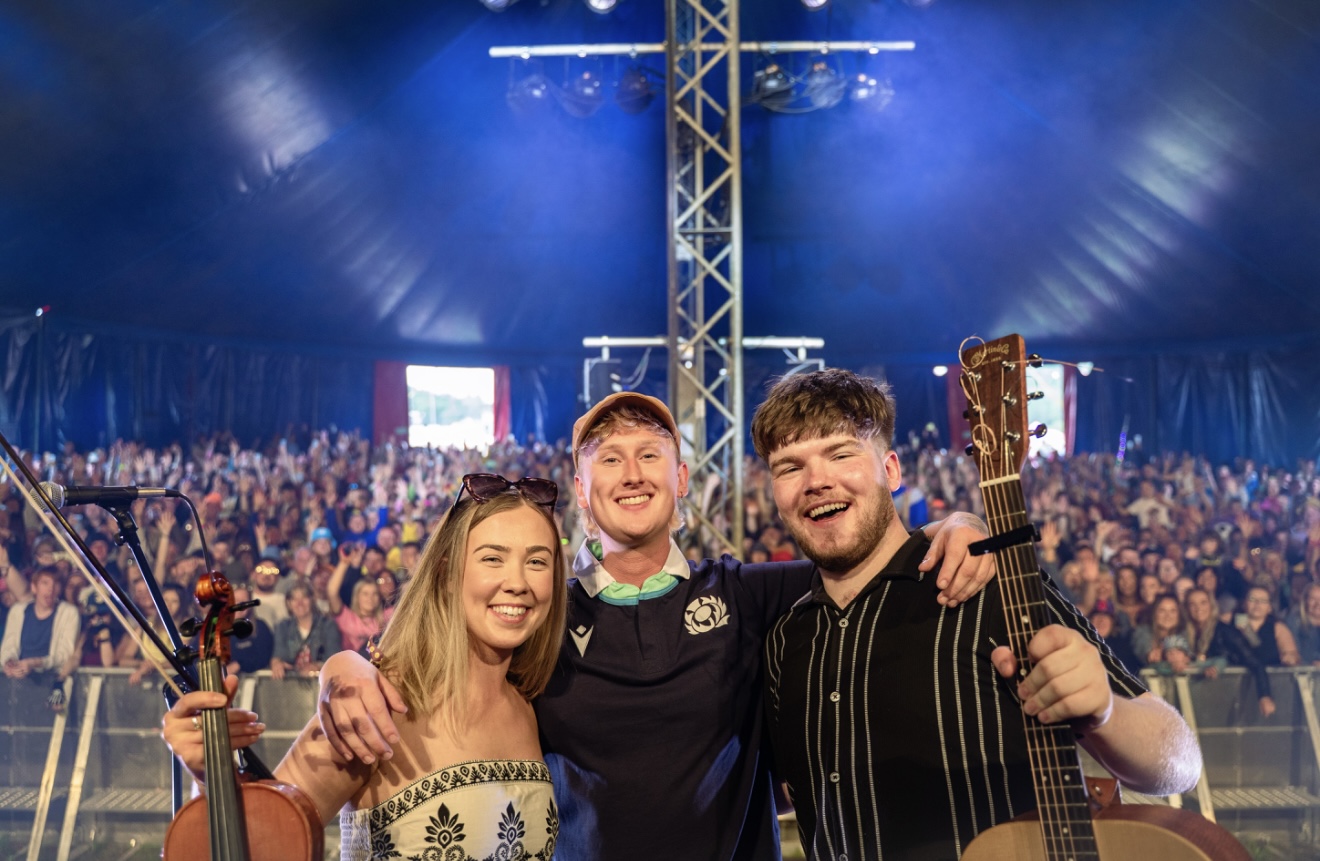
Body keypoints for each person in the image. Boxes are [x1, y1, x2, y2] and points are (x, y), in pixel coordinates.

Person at [315, 391, 994, 861]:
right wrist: (345, 669)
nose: (632, 473)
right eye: (609, 458)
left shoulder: (748, 593)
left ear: (682, 478)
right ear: (582, 492)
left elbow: (865, 553)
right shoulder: (542, 615)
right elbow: (435, 651)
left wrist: (958, 525)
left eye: (649, 454)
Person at [751, 369, 1200, 860]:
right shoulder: (785, 640)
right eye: (789, 467)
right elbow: (789, 790)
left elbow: (1178, 763)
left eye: (841, 454)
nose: (816, 481)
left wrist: (1105, 713)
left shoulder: (988, 585)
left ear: (892, 471)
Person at [162, 475, 567, 858]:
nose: (518, 582)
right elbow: (262, 845)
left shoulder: (529, 704)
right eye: (492, 558)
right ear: (446, 573)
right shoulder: (372, 703)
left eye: (537, 562)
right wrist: (209, 777)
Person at [1183, 587, 1276, 717]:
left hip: (1227, 695)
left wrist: (1265, 696)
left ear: (1211, 605)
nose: (1198, 608)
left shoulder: (1226, 632)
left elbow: (1255, 663)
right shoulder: (1184, 633)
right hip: (1198, 695)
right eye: (1192, 604)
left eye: (1203, 603)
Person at [269, 583, 343, 679]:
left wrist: (317, 666)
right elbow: (279, 654)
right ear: (288, 604)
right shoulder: (283, 627)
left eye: (304, 597)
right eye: (294, 599)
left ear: (312, 600)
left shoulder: (328, 625)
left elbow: (334, 658)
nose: (299, 603)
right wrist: (277, 663)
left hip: (321, 682)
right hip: (290, 683)